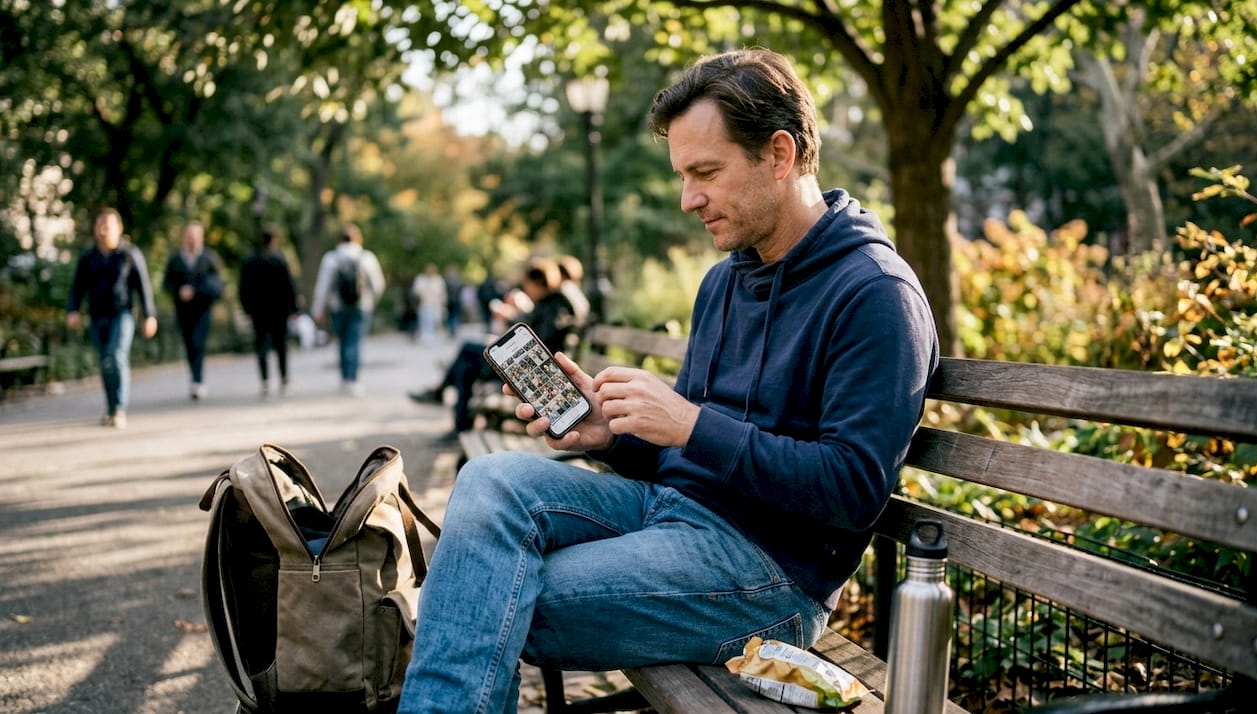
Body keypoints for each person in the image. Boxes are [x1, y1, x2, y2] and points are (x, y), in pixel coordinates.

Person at [397, 49, 939, 713]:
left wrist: (689, 423)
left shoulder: (874, 295)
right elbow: (686, 459)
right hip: (670, 516)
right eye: (683, 176)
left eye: (705, 173)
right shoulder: (724, 282)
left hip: (769, 577)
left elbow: (852, 491)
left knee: (489, 594)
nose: (688, 200)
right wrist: (610, 438)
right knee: (488, 483)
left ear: (779, 153)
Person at [408, 257, 576, 438]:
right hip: (525, 363)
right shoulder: (550, 303)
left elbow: (537, 341)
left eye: (527, 285)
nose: (526, 290)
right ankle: (457, 419)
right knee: (467, 362)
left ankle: (452, 411)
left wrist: (512, 317)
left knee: (467, 356)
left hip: (530, 369)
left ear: (537, 283)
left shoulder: (554, 305)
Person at [65, 208, 158, 429]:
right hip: (97, 316)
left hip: (122, 314)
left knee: (116, 355)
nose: (104, 229)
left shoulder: (129, 254)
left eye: (108, 224)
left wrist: (149, 315)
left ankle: (119, 408)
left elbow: (143, 285)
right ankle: (110, 408)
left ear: (119, 228)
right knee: (104, 361)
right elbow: (77, 287)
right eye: (100, 224)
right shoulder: (88, 257)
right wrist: (73, 310)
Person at [311, 223, 386, 396]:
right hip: (361, 306)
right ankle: (353, 379)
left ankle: (345, 378)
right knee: (355, 341)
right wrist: (371, 301)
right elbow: (378, 284)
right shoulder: (366, 257)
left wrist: (318, 310)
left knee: (343, 342)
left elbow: (323, 286)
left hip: (339, 307)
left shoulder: (331, 258)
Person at [162, 220, 224, 400]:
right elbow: (167, 283)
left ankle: (198, 381)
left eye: (195, 236)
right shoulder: (176, 259)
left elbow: (217, 285)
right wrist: (179, 291)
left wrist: (196, 292)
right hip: (183, 310)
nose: (191, 240)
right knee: (190, 344)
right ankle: (194, 378)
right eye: (188, 236)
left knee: (198, 342)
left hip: (202, 310)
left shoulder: (209, 258)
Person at [239, 225, 299, 397]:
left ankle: (265, 380)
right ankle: (284, 378)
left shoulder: (251, 261)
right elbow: (289, 286)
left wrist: (247, 308)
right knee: (281, 345)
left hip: (259, 310)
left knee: (261, 345)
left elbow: (244, 288)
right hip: (279, 309)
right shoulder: (279, 260)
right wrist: (294, 307)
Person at [411, 263, 447, 345]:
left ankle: (433, 336)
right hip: (425, 303)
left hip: (436, 304)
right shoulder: (420, 279)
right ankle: (426, 337)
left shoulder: (438, 279)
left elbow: (442, 292)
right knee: (425, 320)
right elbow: (416, 291)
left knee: (436, 320)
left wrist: (443, 302)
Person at [443, 264, 464, 337]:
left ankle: (454, 330)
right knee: (451, 316)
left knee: (455, 316)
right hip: (450, 301)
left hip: (456, 301)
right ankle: (452, 330)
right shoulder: (447, 280)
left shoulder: (458, 280)